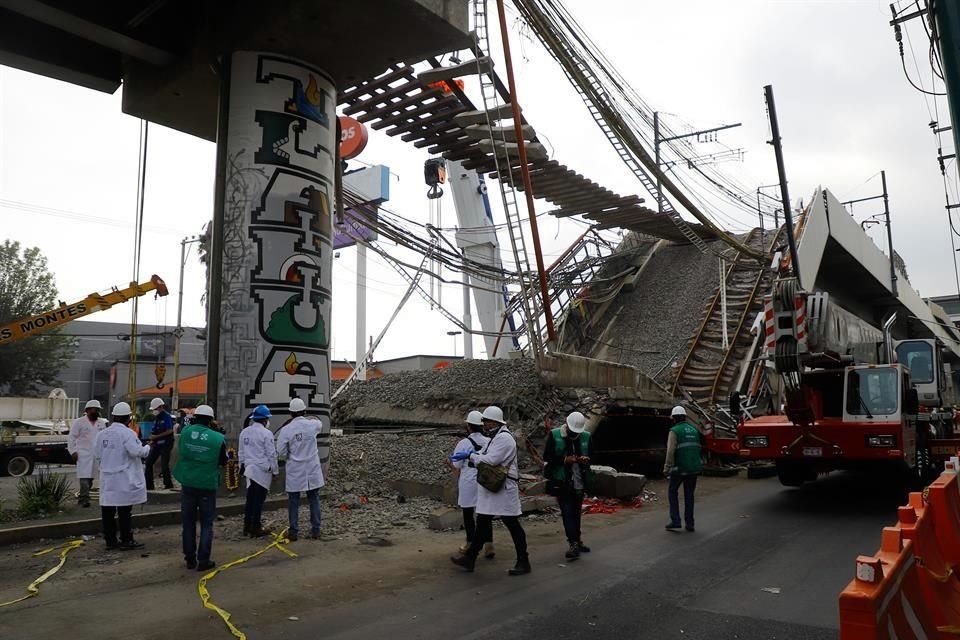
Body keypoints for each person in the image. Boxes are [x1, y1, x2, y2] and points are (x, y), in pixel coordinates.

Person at [450, 405, 530, 576]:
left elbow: (491, 460)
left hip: (504, 488)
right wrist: (475, 457)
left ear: (494, 422)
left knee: (512, 524)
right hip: (494, 489)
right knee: (483, 522)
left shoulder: (504, 439)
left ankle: (523, 561)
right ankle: (470, 558)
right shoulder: (496, 437)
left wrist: (471, 456)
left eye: (487, 421)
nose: (485, 425)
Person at [173, 404, 227, 570]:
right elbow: (222, 461)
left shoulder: (186, 432)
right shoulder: (218, 438)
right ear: (211, 420)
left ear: (195, 417)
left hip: (188, 482)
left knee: (188, 523)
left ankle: (190, 559)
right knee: (206, 524)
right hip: (207, 484)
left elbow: (181, 451)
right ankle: (203, 560)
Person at [94, 402, 151, 550]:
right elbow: (136, 452)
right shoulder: (127, 433)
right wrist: (149, 447)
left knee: (107, 510)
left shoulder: (101, 434)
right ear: (128, 419)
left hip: (107, 477)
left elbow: (97, 454)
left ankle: (110, 541)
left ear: (114, 417)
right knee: (124, 511)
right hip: (123, 478)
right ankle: (126, 539)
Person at [543, 411, 592, 559]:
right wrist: (564, 460)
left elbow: (593, 454)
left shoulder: (586, 437)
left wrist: (585, 459)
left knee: (576, 513)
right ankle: (573, 543)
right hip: (562, 482)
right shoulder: (555, 435)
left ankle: (577, 540)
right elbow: (547, 458)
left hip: (579, 481)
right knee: (567, 512)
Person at [275, 398, 324, 541]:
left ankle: (294, 531)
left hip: (295, 470)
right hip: (312, 469)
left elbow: (281, 451)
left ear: (290, 413)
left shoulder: (286, 430)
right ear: (304, 411)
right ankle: (316, 530)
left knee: (293, 501)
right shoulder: (312, 425)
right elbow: (319, 423)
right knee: (314, 498)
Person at [449, 410, 494, 558]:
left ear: (469, 426)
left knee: (468, 513)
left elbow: (456, 465)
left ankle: (470, 542)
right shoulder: (489, 442)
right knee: (485, 514)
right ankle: (489, 544)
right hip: (484, 480)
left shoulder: (463, 443)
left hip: (468, 481)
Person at [239, 404, 279, 537]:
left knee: (250, 499)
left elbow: (241, 453)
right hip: (262, 471)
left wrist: (241, 467)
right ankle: (255, 527)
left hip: (249, 470)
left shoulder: (244, 432)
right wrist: (275, 471)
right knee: (258, 501)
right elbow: (271, 454)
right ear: (264, 420)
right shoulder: (266, 434)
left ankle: (246, 526)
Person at [664, 405, 702, 533]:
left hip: (679, 468)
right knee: (689, 495)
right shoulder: (694, 430)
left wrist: (667, 467)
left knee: (672, 492)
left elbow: (670, 451)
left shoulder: (674, 431)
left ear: (674, 418)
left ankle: (676, 521)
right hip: (694, 468)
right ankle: (690, 524)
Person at [68, 399, 107, 507]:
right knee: (84, 477)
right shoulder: (79, 422)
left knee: (90, 478)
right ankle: (85, 498)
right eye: (95, 409)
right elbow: (72, 438)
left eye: (98, 410)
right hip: (82, 454)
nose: (97, 411)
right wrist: (73, 451)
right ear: (88, 410)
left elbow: (104, 439)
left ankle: (83, 496)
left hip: (96, 454)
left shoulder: (101, 423)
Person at [144, 397, 175, 490]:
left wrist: (156, 437)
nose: (154, 411)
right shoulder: (156, 418)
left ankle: (168, 484)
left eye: (155, 409)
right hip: (157, 444)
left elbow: (169, 430)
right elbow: (154, 431)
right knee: (149, 462)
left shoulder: (167, 417)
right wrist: (152, 439)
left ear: (161, 407)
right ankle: (149, 485)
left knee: (164, 464)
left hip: (166, 443)